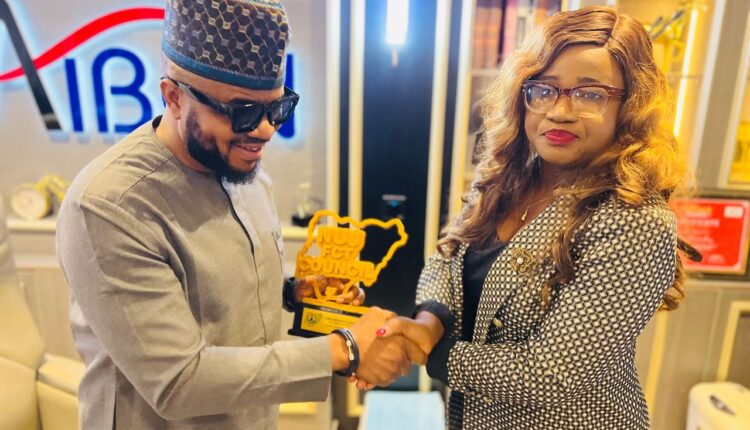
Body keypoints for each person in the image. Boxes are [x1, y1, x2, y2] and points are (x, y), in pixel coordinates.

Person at [56, 1, 422, 428]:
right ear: (174, 97)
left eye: (277, 108)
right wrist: (345, 350)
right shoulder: (109, 205)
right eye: (243, 112)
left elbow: (221, 289)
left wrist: (295, 293)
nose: (266, 129)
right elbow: (176, 381)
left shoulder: (247, 173)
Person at [365, 6, 700, 429]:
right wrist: (429, 323)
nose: (559, 111)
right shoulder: (504, 179)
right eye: (544, 89)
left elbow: (551, 373)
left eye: (590, 94)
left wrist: (427, 351)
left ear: (631, 105)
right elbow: (445, 260)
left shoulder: (635, 220)